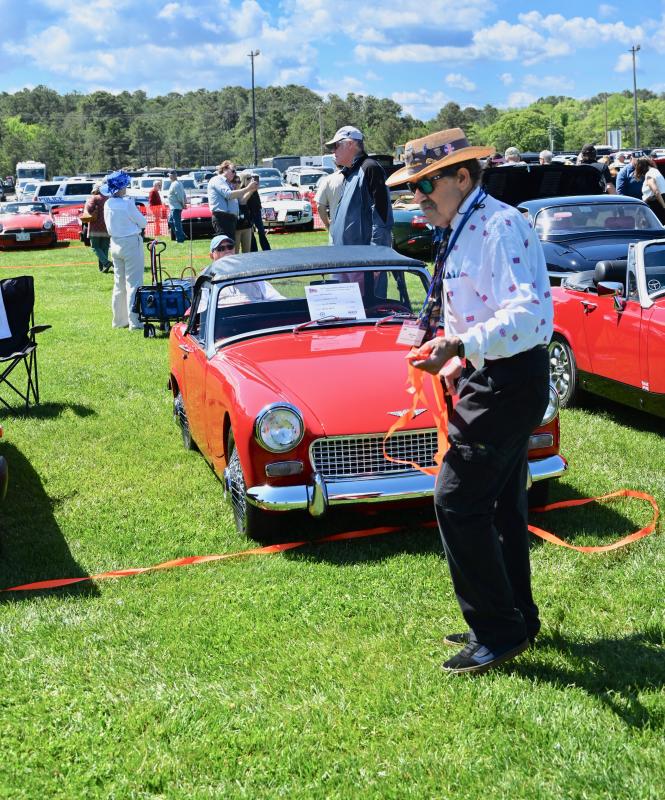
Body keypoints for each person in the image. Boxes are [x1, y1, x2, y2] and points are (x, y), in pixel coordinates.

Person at [386, 127, 553, 675]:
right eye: (413, 188)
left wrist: (461, 344)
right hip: (489, 378)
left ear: (463, 176)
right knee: (501, 507)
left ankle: (497, 630)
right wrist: (444, 344)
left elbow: (527, 317)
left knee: (457, 500)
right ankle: (513, 619)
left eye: (426, 184)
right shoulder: (463, 226)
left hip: (508, 381)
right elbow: (475, 307)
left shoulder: (499, 226)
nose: (418, 198)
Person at [326, 125, 393, 247]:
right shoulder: (350, 172)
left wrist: (376, 257)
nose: (333, 151)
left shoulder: (370, 168)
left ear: (350, 144)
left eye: (336, 145)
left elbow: (382, 219)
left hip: (362, 259)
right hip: (347, 257)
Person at [102, 170, 147, 331]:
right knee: (134, 283)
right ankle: (135, 322)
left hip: (114, 244)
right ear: (120, 187)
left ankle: (119, 320)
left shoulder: (108, 204)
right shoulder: (127, 203)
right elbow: (142, 223)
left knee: (119, 284)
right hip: (130, 243)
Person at [203, 234, 284, 304]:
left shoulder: (249, 273)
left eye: (230, 247)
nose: (227, 251)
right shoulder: (207, 278)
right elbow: (203, 307)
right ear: (211, 255)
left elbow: (275, 297)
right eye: (221, 249)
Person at [207, 161, 258, 241]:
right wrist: (247, 188)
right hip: (222, 218)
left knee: (230, 247)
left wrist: (251, 190)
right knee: (226, 246)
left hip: (230, 218)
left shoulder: (227, 183)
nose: (234, 174)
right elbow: (229, 195)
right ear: (224, 169)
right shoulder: (217, 179)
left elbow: (240, 200)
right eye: (233, 171)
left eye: (235, 172)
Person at [84, 181, 112, 273]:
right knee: (104, 248)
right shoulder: (109, 198)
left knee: (95, 247)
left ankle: (106, 263)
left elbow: (89, 209)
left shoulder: (94, 198)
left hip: (95, 227)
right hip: (107, 227)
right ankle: (103, 268)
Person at [314, 166, 345, 243]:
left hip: (335, 228)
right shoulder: (359, 177)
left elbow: (320, 207)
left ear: (334, 163)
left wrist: (328, 226)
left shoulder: (328, 180)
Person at [634, 157, 665, 224]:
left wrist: (664, 206)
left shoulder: (649, 175)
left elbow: (656, 191)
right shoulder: (655, 171)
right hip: (659, 201)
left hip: (655, 204)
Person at [246, 174, 271, 251]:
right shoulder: (245, 189)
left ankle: (266, 248)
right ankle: (254, 249)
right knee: (251, 232)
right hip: (249, 212)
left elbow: (257, 202)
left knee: (261, 231)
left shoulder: (255, 190)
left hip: (256, 212)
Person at [234, 173, 254, 254]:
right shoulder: (231, 193)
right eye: (235, 182)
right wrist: (251, 190)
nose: (237, 184)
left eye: (239, 182)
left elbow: (244, 202)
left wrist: (252, 190)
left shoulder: (242, 192)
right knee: (236, 252)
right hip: (236, 227)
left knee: (247, 252)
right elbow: (242, 201)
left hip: (246, 226)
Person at [167, 170, 187, 243]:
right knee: (171, 221)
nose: (169, 176)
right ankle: (182, 235)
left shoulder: (176, 184)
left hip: (176, 207)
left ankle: (180, 239)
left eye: (169, 175)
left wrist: (183, 204)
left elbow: (180, 196)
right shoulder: (175, 183)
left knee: (176, 223)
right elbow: (184, 194)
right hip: (173, 207)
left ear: (173, 175)